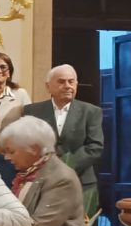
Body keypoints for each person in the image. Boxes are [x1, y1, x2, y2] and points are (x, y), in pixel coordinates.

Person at [21, 64, 103, 218]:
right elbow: (27, 144)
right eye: (61, 82)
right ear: (48, 86)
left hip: (82, 183)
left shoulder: (91, 112)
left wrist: (62, 167)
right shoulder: (31, 111)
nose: (67, 86)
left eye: (71, 82)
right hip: (41, 183)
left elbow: (95, 147)